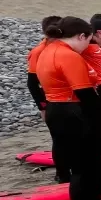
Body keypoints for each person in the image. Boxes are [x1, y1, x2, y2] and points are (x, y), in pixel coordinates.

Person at [35, 16, 101, 200]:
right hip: (72, 112)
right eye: (88, 40)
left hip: (59, 110)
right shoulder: (68, 55)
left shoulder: (47, 51)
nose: (88, 46)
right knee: (84, 167)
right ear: (82, 36)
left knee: (87, 164)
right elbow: (87, 96)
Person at [27, 15, 72, 184]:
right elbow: (32, 83)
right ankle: (62, 174)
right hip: (53, 101)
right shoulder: (39, 52)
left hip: (68, 100)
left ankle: (71, 170)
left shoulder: (65, 49)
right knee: (59, 139)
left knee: (71, 138)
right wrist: (43, 107)